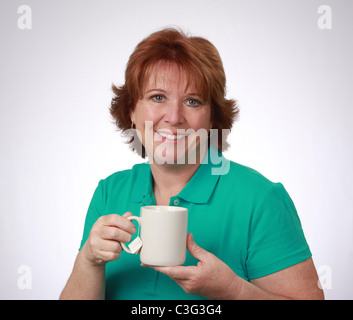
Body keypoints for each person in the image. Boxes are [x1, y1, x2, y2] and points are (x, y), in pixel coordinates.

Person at [60, 28, 324, 300]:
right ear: (131, 111)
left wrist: (233, 291)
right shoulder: (109, 192)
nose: (174, 117)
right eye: (158, 97)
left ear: (212, 119)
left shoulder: (261, 200)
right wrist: (88, 261)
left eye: (192, 101)